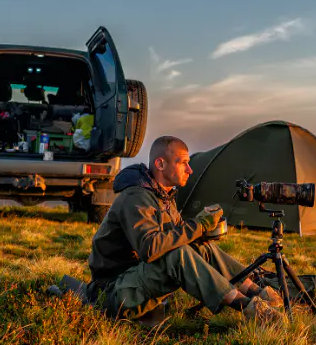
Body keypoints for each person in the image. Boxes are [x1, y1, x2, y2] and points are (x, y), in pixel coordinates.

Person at [84, 135, 284, 323]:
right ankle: (250, 309)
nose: (189, 170)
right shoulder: (136, 197)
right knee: (177, 254)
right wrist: (198, 225)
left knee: (200, 246)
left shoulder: (162, 196)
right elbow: (150, 248)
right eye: (183, 163)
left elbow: (182, 235)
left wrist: (203, 231)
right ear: (160, 164)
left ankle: (257, 292)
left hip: (135, 280)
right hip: (114, 292)